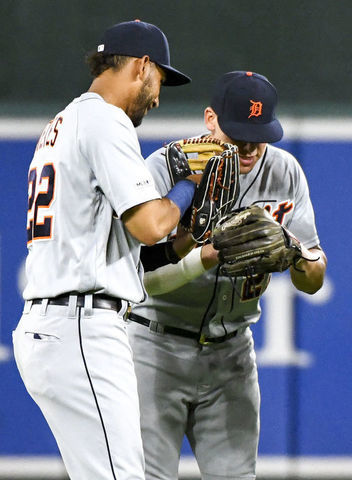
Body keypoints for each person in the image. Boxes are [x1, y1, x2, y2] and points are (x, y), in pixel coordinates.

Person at [12, 20, 195, 480]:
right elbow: (152, 226)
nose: (157, 97)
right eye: (159, 81)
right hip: (80, 327)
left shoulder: (62, 123)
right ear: (141, 65)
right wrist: (189, 185)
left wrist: (190, 236)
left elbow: (129, 243)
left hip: (57, 323)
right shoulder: (104, 119)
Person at [127, 70, 327, 480]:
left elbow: (314, 278)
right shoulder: (168, 168)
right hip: (153, 346)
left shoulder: (284, 171)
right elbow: (138, 275)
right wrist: (208, 253)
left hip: (231, 354)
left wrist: (295, 255)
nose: (252, 146)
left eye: (261, 132)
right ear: (210, 120)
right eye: (239, 133)